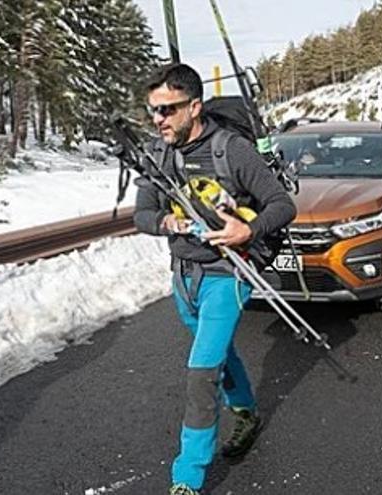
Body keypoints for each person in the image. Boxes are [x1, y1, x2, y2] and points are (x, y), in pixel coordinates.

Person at [133, 64, 296, 495]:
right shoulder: (159, 154)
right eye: (153, 110)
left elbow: (282, 205)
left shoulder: (231, 150)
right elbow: (141, 214)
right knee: (219, 355)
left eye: (167, 109)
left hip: (228, 273)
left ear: (194, 106)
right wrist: (167, 222)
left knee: (201, 372)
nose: (158, 119)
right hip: (183, 276)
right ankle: (246, 412)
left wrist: (248, 230)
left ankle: (187, 477)